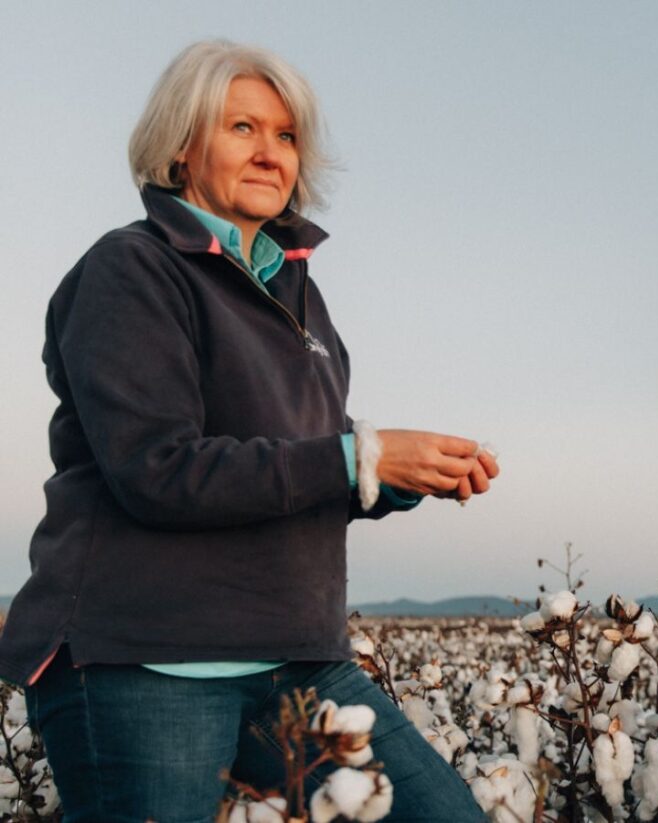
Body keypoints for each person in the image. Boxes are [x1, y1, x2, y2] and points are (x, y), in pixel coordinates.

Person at [0, 40, 494, 821]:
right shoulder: (132, 269)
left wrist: (390, 477)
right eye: (242, 128)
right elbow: (157, 469)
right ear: (179, 147)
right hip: (143, 662)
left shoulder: (298, 292)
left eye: (287, 135)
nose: (270, 152)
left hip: (297, 660)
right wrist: (356, 454)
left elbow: (298, 467)